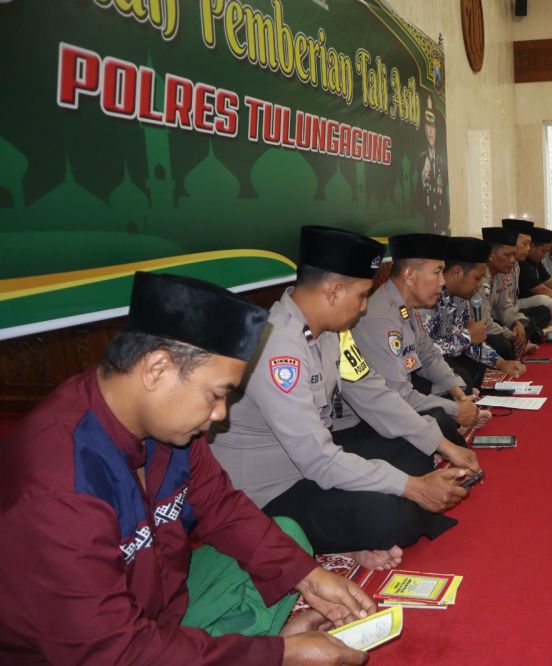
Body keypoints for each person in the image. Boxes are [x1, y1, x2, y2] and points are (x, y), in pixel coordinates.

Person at [0, 272, 376, 664]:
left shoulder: (168, 427)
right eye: (216, 395)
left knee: (287, 538)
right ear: (157, 369)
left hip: (158, 607)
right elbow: (112, 651)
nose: (220, 415)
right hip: (90, 650)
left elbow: (220, 505)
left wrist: (309, 577)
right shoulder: (55, 486)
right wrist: (276, 656)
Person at [212, 227, 477, 569]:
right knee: (387, 516)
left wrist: (441, 445)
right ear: (335, 291)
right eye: (363, 295)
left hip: (311, 464)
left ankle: (350, 535)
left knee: (413, 450)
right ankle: (345, 538)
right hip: (270, 491)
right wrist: (411, 487)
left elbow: (372, 392)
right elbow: (318, 460)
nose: (366, 306)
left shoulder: (332, 333)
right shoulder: (278, 351)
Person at [352, 233, 491, 421]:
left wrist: (456, 391)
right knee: (441, 421)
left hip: (404, 392)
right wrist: (455, 409)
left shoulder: (406, 307)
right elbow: (399, 397)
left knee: (458, 386)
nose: (442, 281)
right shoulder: (381, 318)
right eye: (437, 272)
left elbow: (428, 354)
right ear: (409, 275)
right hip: (376, 413)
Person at [420, 236, 527, 388]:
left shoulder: (459, 298)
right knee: (462, 375)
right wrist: (467, 337)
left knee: (472, 368)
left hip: (448, 361)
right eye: (477, 278)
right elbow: (425, 352)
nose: (479, 285)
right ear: (457, 273)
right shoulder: (427, 299)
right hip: (426, 369)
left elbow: (472, 340)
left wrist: (501, 363)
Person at [481, 226, 534, 358]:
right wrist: (513, 335)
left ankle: (518, 346)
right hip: (482, 328)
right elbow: (485, 323)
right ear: (491, 255)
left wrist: (516, 323)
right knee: (499, 342)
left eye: (513, 255)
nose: (512, 260)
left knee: (525, 324)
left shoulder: (499, 274)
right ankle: (519, 346)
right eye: (507, 255)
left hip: (497, 323)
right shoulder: (479, 278)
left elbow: (505, 306)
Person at [501, 218, 552, 337]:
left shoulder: (517, 265)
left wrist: (516, 321)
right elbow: (497, 312)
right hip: (500, 319)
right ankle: (533, 333)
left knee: (544, 312)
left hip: (513, 312)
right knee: (501, 341)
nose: (528, 248)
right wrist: (515, 322)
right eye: (525, 243)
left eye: (529, 244)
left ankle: (529, 333)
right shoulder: (498, 268)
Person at [415, 95, 447, 234]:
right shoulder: (420, 160)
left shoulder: (441, 162)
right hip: (427, 231)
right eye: (428, 126)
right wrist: (422, 181)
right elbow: (417, 203)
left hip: (441, 230)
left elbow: (444, 199)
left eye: (433, 126)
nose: (430, 131)